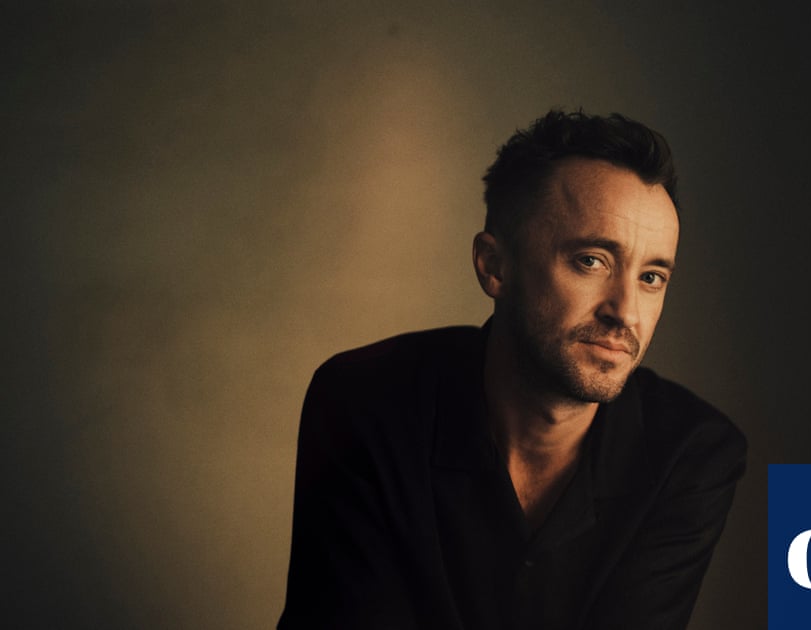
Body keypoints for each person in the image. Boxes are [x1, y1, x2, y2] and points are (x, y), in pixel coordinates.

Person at [278, 110, 747, 629]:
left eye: (652, 277)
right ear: (494, 266)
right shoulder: (364, 403)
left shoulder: (692, 450)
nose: (626, 312)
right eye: (591, 260)